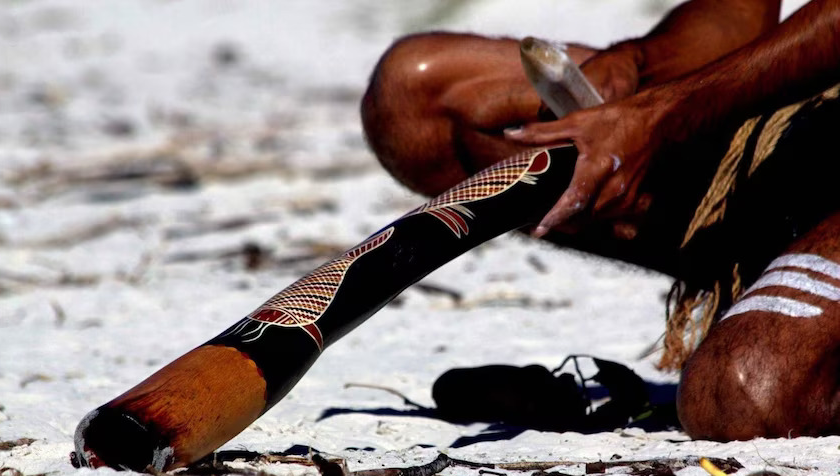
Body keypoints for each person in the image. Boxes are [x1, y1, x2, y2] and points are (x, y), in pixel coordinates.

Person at [360, 0, 840, 440]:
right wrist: (637, 64)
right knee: (414, 98)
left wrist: (660, 116)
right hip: (803, 132)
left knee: (742, 392)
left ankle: (795, 320)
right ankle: (775, 280)